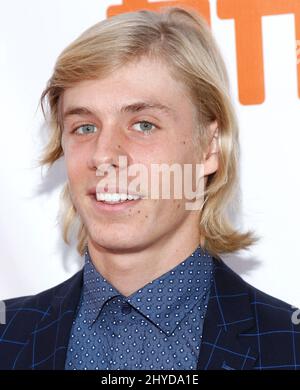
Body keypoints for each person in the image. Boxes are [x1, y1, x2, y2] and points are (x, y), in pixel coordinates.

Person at [0, 6, 299, 371]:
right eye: (84, 127)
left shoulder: (289, 347)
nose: (104, 154)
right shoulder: (8, 336)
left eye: (143, 125)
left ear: (209, 147)